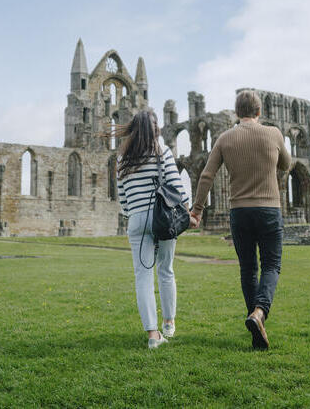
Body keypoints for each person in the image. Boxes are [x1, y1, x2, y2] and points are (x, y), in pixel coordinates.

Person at [189, 90, 291, 350]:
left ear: (237, 113)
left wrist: (197, 210)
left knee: (248, 269)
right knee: (271, 265)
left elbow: (206, 176)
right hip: (269, 209)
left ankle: (256, 324)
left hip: (239, 212)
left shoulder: (225, 138)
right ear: (259, 112)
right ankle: (259, 313)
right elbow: (286, 165)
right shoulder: (274, 133)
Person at [115, 109, 195, 349]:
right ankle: (169, 322)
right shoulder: (162, 152)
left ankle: (153, 335)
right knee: (166, 269)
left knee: (142, 276)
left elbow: (123, 199)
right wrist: (187, 214)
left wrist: (135, 214)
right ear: (155, 128)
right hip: (162, 217)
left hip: (136, 220)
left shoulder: (122, 158)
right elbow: (176, 189)